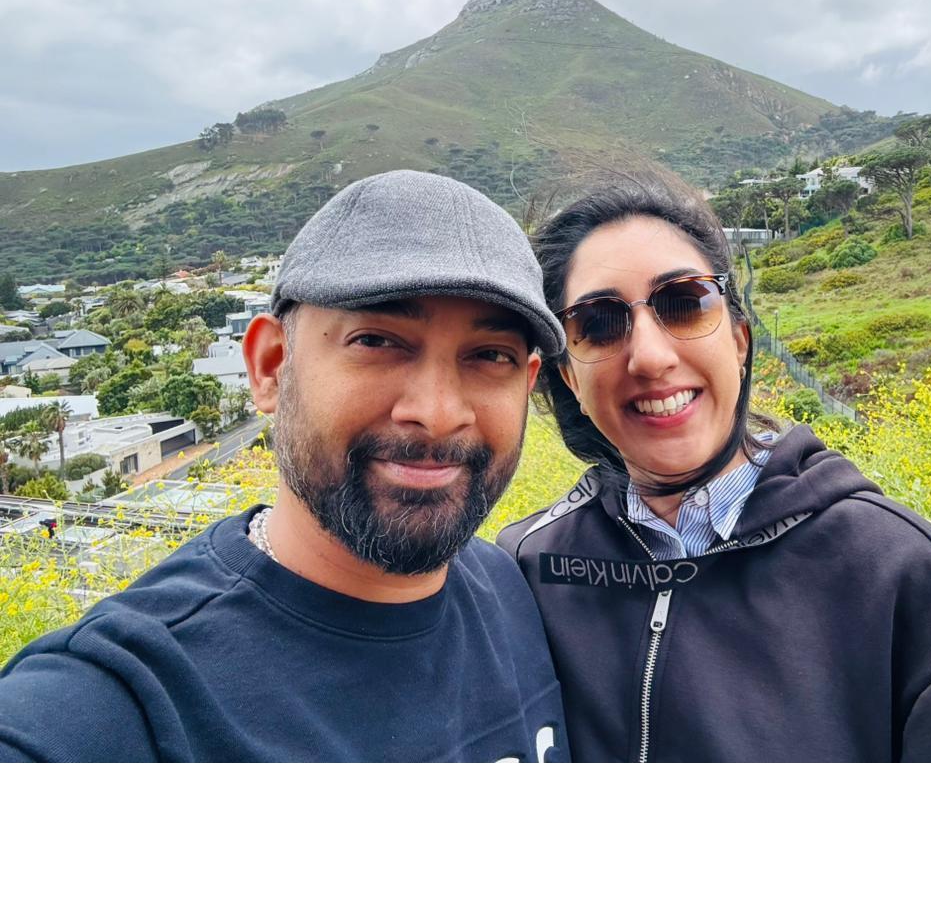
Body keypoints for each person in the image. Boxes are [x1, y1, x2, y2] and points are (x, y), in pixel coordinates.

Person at [0, 171, 568, 762]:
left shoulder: (510, 589)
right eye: (377, 341)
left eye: (490, 356)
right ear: (271, 367)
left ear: (527, 383)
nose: (438, 413)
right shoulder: (119, 699)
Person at [498, 171, 931, 762]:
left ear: (739, 340)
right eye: (597, 324)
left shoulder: (899, 573)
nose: (649, 357)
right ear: (570, 378)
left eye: (685, 303)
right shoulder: (528, 569)